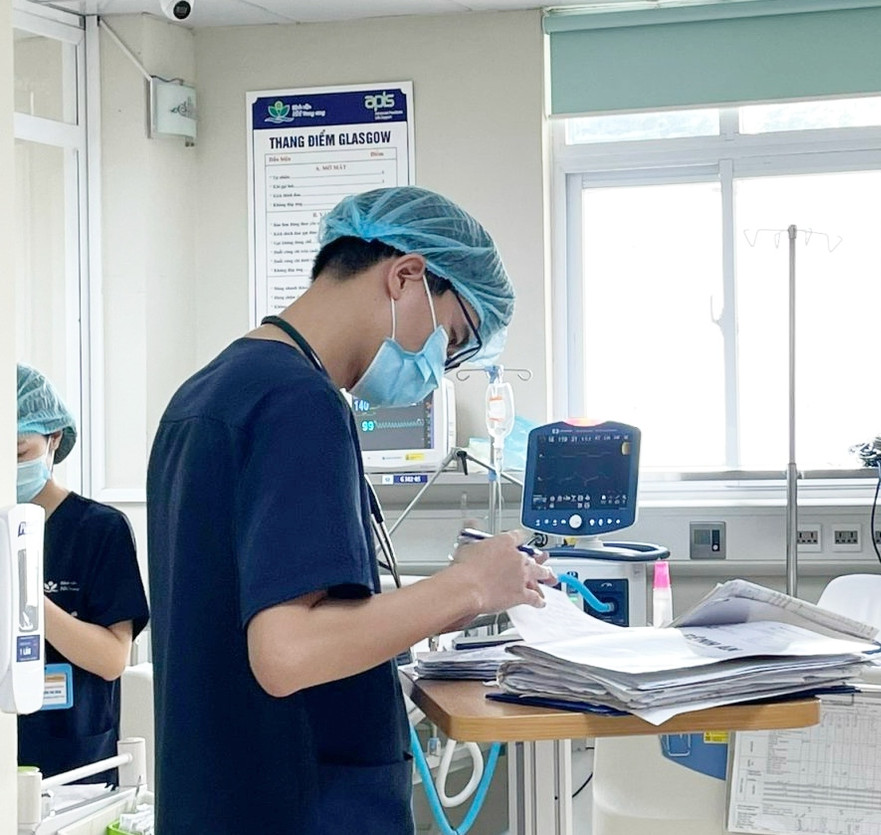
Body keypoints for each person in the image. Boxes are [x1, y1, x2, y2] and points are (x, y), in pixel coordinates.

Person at [147, 187, 556, 834]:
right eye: (450, 339)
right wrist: (471, 586)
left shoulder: (206, 394)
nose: (440, 370)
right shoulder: (298, 403)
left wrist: (452, 591)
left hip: (221, 800)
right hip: (302, 808)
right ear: (406, 275)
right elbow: (287, 651)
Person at [15, 364, 149, 784]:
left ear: (53, 438)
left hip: (74, 762)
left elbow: (111, 659)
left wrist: (26, 598)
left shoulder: (99, 530)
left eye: (18, 453)